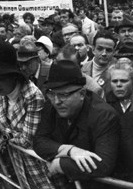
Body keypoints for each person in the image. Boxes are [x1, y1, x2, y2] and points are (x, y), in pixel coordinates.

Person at [34, 59, 120, 189]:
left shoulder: (104, 116)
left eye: (64, 94)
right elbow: (39, 141)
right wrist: (70, 150)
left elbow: (103, 164)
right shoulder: (51, 106)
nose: (57, 101)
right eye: (52, 93)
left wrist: (59, 164)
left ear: (82, 93)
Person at [0, 42, 54, 189]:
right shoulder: (3, 92)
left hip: (39, 167)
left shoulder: (33, 96)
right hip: (19, 164)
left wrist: (4, 135)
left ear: (13, 76)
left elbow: (26, 140)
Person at [81, 31, 116, 98]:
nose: (104, 54)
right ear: (93, 49)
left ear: (113, 52)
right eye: (100, 49)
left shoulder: (119, 70)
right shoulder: (83, 68)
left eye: (108, 50)